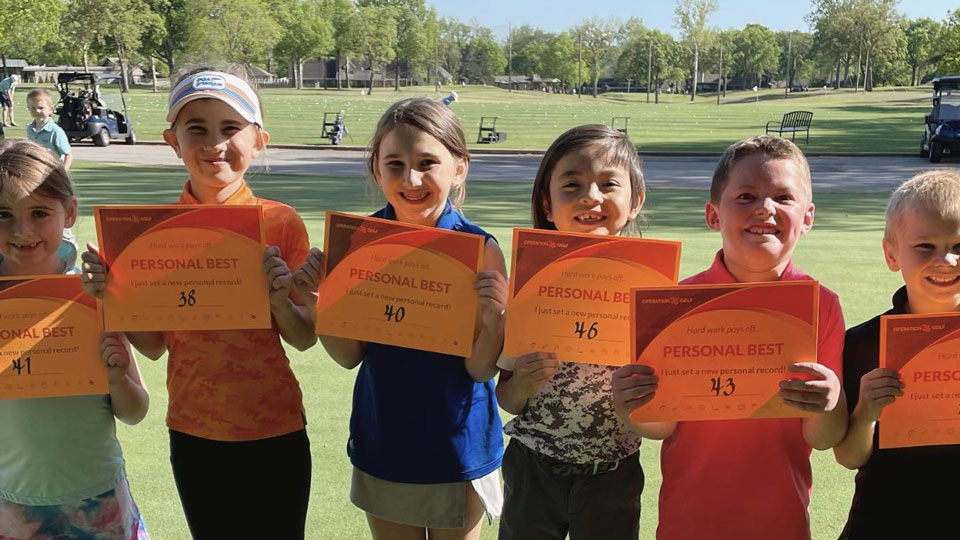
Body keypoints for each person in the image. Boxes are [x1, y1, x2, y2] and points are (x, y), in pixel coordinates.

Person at [80, 67, 316, 540]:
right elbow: (152, 346)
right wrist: (114, 294)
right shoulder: (153, 233)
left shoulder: (281, 222)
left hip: (275, 425)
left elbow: (304, 336)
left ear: (259, 140)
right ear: (173, 141)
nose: (214, 144)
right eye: (197, 129)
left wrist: (279, 302)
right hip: (193, 430)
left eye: (230, 128)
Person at [612, 135, 847, 540]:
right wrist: (629, 405)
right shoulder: (677, 304)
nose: (765, 208)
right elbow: (660, 427)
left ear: (807, 218)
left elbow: (823, 437)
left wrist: (832, 399)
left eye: (783, 197)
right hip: (688, 522)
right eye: (746, 196)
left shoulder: (822, 305)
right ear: (713, 215)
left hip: (781, 523)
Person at [295, 97, 507, 540]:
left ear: (459, 168)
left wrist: (495, 318)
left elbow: (481, 368)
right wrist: (319, 303)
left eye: (428, 162)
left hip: (458, 446)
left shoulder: (481, 249)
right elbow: (349, 355)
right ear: (377, 168)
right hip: (386, 440)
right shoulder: (357, 244)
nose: (411, 179)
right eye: (395, 163)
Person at [496, 124, 646, 540]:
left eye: (608, 184)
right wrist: (523, 384)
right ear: (547, 203)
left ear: (635, 201)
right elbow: (505, 398)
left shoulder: (650, 293)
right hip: (533, 467)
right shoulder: (529, 290)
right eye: (573, 184)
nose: (591, 197)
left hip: (612, 472)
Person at [0, 140, 150, 540]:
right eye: (3, 214)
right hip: (12, 505)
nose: (21, 230)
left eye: (39, 213)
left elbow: (135, 411)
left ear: (68, 212)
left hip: (98, 501)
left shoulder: (93, 291)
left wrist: (117, 377)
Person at [833, 170, 960, 539]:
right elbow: (849, 457)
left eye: (958, 245)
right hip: (883, 521)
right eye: (925, 246)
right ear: (892, 254)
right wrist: (866, 412)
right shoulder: (862, 342)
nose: (946, 260)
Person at [25, 88, 72, 170]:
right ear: (28, 108)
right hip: (37, 171)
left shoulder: (55, 131)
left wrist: (63, 174)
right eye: (33, 108)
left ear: (50, 109)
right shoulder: (30, 129)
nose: (37, 111)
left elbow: (68, 155)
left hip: (52, 172)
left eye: (41, 107)